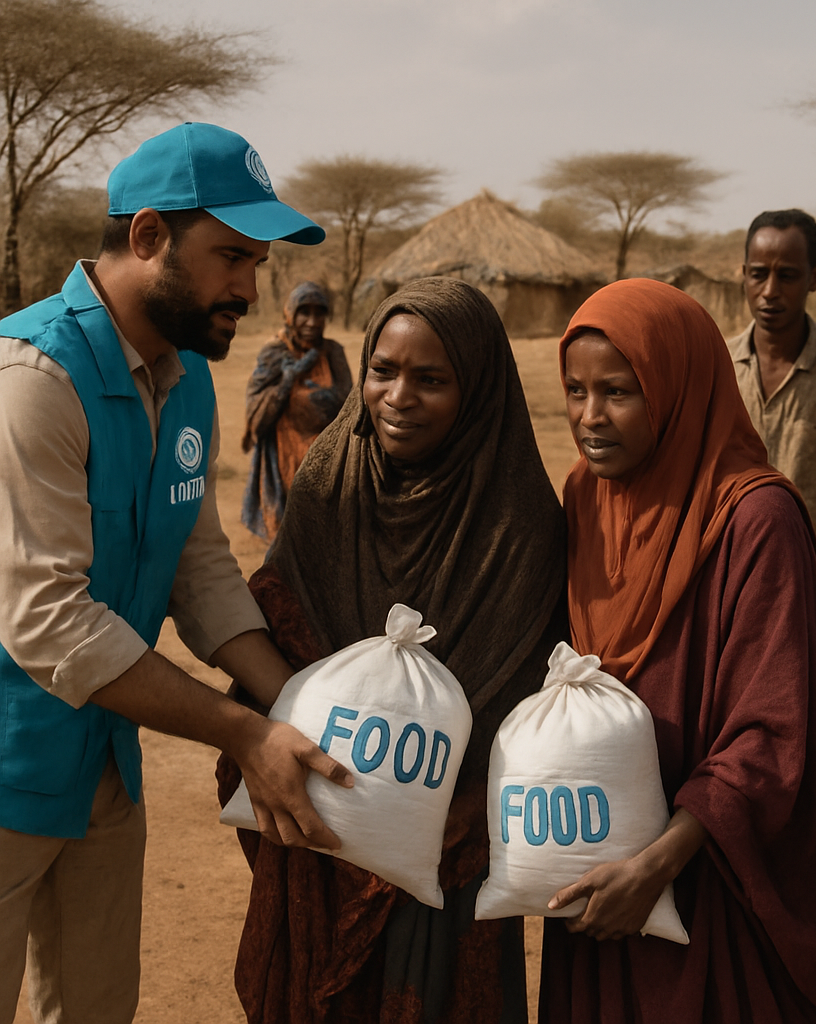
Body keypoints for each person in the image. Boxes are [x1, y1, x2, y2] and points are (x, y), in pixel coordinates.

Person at [0, 122, 354, 1024]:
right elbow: (50, 620)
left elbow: (197, 569)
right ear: (150, 234)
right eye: (231, 256)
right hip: (7, 767)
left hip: (102, 771)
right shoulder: (34, 378)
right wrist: (244, 733)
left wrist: (297, 707)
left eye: (258, 264)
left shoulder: (186, 376)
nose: (250, 288)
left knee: (96, 1008)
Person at [216, 277, 567, 1024]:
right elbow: (278, 615)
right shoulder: (328, 483)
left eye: (431, 380)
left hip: (448, 848)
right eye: (383, 370)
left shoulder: (519, 523)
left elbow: (532, 697)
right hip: (315, 824)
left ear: (477, 391)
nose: (398, 397)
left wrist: (460, 803)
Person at [538, 278, 816, 1024]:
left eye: (618, 392)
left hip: (714, 871)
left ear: (677, 388)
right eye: (576, 390)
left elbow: (773, 731)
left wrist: (656, 864)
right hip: (600, 864)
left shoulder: (756, 519)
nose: (590, 416)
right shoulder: (585, 497)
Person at [727, 209, 816, 573]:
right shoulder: (717, 366)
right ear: (744, 274)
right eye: (758, 274)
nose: (769, 291)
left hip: (813, 579)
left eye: (787, 276)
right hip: (728, 574)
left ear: (815, 278)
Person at [241, 281, 352, 540]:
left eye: (319, 313)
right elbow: (256, 412)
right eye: (304, 312)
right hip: (284, 454)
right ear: (290, 314)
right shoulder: (274, 353)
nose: (312, 322)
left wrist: (316, 398)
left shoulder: (333, 352)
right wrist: (287, 382)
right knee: (288, 535)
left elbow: (348, 406)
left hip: (327, 455)